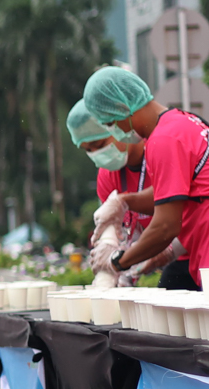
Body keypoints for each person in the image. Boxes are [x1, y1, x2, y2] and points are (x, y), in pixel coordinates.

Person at [79, 67, 209, 284]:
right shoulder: (182, 122)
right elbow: (173, 192)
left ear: (123, 108)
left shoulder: (163, 139)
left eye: (111, 123)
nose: (115, 131)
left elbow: (166, 226)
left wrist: (117, 262)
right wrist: (124, 201)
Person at [69, 101, 189, 287]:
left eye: (99, 144)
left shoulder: (161, 150)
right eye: (88, 151)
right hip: (174, 263)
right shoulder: (108, 176)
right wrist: (114, 271)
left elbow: (190, 214)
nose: (97, 154)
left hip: (200, 250)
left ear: (117, 126)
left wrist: (170, 249)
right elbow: (115, 233)